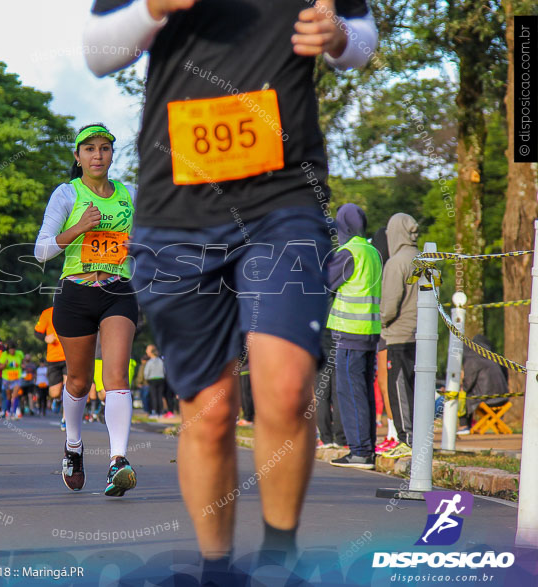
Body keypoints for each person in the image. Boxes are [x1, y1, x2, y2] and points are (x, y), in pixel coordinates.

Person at [83, 0, 377, 575]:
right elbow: (98, 54)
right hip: (178, 208)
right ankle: (216, 567)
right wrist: (152, 9)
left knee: (287, 388)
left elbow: (363, 38)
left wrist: (338, 36)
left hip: (282, 199)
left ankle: (276, 556)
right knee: (210, 410)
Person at [34, 123, 139, 497]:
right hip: (75, 293)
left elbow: (149, 241)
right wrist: (78, 228)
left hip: (118, 291)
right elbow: (42, 250)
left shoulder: (130, 195)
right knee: (78, 381)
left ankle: (117, 460)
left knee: (116, 377)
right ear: (77, 157)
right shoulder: (66, 194)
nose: (98, 155)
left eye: (105, 148)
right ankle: (74, 446)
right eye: (89, 149)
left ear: (113, 154)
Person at [325, 204, 382, 470]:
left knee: (350, 392)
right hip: (370, 331)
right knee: (365, 391)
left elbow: (325, 282)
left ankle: (360, 451)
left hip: (350, 332)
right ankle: (367, 448)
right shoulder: (372, 251)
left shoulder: (348, 252)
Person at [380, 213, 420, 459]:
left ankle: (407, 438)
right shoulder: (424, 258)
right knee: (418, 388)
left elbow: (389, 305)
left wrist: (383, 320)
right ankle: (418, 439)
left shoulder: (396, 263)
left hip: (399, 335)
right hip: (422, 336)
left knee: (399, 388)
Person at [371, 226, 399, 453]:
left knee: (388, 381)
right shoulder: (389, 264)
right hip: (388, 330)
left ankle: (396, 433)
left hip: (391, 331)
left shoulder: (391, 266)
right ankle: (393, 432)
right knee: (386, 381)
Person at [460, 334, 509, 432]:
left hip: (487, 399)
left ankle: (464, 426)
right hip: (504, 397)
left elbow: (468, 384)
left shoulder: (473, 359)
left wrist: (461, 387)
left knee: (462, 396)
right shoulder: (492, 356)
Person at [34, 306, 67, 426]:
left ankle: (65, 419)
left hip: (69, 356)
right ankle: (57, 400)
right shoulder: (47, 313)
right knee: (55, 392)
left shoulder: (73, 309)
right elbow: (37, 332)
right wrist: (45, 338)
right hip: (53, 358)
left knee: (69, 388)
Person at [0, 341, 24, 418]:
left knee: (15, 395)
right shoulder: (4, 355)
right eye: (10, 350)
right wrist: (5, 364)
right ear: (8, 350)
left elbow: (22, 363)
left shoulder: (19, 354)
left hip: (17, 377)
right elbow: (0, 367)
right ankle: (8, 411)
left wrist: (23, 366)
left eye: (13, 349)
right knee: (9, 396)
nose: (12, 351)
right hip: (7, 378)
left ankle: (14, 412)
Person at [144, 345, 166, 419]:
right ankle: (160, 412)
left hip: (152, 380)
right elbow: (164, 370)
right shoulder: (160, 361)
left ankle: (154, 412)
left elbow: (146, 372)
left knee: (153, 396)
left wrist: (147, 378)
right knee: (160, 396)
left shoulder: (149, 362)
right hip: (161, 379)